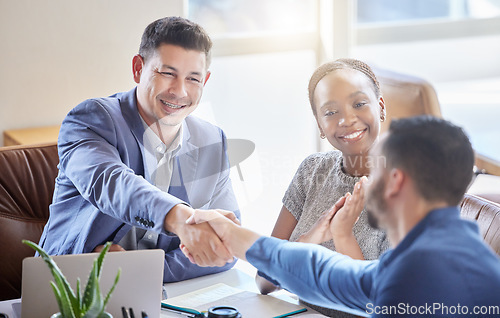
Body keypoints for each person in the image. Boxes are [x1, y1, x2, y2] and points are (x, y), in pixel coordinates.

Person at [184, 116, 500, 317]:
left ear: (395, 181)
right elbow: (326, 272)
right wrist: (230, 232)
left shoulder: (417, 273)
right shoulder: (452, 250)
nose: (364, 179)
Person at [38, 16, 240, 282]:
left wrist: (140, 271)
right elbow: (113, 184)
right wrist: (183, 220)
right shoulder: (91, 120)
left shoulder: (212, 140)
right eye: (167, 73)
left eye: (193, 78)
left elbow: (226, 247)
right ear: (138, 68)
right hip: (70, 287)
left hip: (162, 298)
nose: (180, 91)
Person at [256, 59, 390, 316]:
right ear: (319, 124)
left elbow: (381, 304)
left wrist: (343, 235)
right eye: (330, 112)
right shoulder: (312, 171)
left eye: (359, 104)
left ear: (380, 107)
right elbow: (264, 281)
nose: (347, 119)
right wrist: (307, 241)